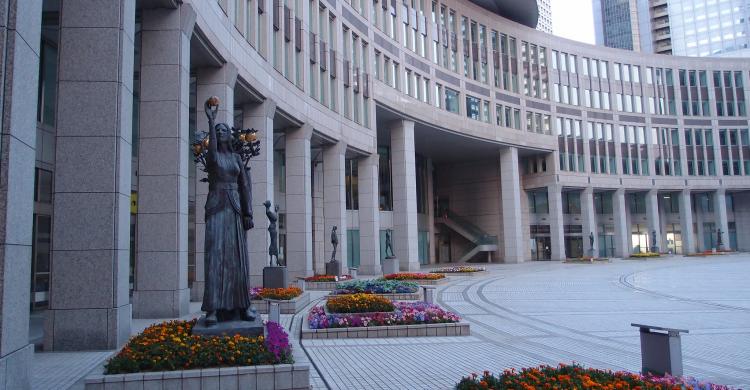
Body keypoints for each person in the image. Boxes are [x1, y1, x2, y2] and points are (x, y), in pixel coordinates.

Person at [201, 97, 255, 326]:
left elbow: (245, 185)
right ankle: (213, 309)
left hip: (234, 207)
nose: (221, 132)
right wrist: (211, 122)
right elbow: (211, 152)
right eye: (218, 130)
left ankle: (243, 306)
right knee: (215, 257)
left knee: (237, 259)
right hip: (216, 206)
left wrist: (248, 212)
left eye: (224, 130)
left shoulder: (236, 158)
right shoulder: (213, 158)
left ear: (230, 136)